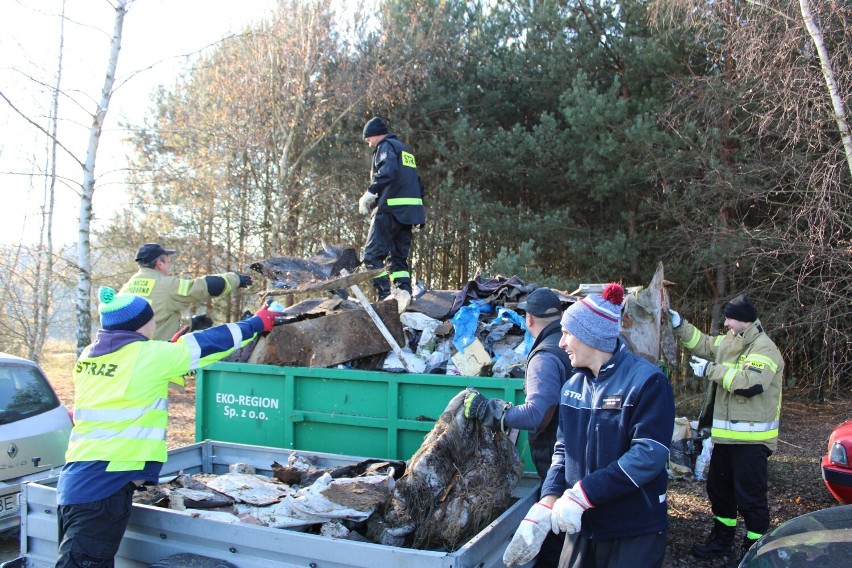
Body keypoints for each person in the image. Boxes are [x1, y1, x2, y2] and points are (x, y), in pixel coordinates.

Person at [55, 286, 284, 567]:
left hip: (77, 481)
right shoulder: (149, 356)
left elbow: (128, 384)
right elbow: (212, 342)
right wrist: (257, 323)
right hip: (103, 486)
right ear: (141, 325)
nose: (155, 323)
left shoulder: (90, 355)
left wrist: (169, 356)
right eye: (151, 319)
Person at [508, 283, 674, 568]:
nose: (561, 343)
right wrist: (547, 502)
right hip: (582, 526)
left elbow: (648, 455)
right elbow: (563, 450)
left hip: (632, 530)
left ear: (590, 337)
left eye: (566, 333)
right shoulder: (573, 386)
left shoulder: (647, 382)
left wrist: (584, 494)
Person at [669, 294, 784, 565]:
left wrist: (711, 370)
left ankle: (755, 550)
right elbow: (705, 344)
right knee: (719, 492)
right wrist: (679, 324)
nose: (726, 323)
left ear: (743, 319)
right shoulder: (731, 341)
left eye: (730, 318)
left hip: (751, 442)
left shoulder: (764, 348)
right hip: (726, 440)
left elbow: (751, 383)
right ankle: (722, 540)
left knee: (751, 500)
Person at [463, 287, 572, 568]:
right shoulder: (568, 344)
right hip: (578, 455)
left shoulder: (545, 356)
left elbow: (538, 415)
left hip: (559, 459)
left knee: (554, 540)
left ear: (529, 320)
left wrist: (491, 412)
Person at [121, 243, 254, 341]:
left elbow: (158, 319)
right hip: (157, 359)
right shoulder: (166, 285)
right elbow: (200, 287)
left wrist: (191, 324)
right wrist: (235, 279)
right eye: (167, 262)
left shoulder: (127, 288)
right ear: (159, 264)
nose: (169, 266)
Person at [358, 117, 425, 304]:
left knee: (371, 257)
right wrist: (417, 214)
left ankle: (385, 297)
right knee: (398, 258)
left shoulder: (385, 146)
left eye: (368, 139)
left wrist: (370, 193)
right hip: (408, 215)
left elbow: (387, 171)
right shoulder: (405, 150)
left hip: (389, 210)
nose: (369, 144)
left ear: (376, 134)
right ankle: (404, 294)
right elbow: (418, 184)